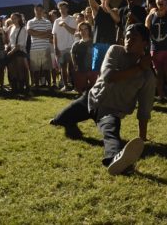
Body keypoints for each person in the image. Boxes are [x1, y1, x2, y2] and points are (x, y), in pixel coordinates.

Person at [50, 24, 155, 175]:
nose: (128, 40)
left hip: (110, 112)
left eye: (134, 38)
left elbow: (145, 107)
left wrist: (142, 138)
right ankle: (61, 120)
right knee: (60, 119)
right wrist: (138, 67)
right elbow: (109, 77)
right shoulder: (115, 51)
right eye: (127, 36)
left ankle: (115, 159)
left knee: (110, 132)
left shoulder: (148, 76)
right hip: (90, 100)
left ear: (145, 43)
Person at [87, 0, 120, 73]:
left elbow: (117, 20)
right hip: (99, 43)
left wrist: (108, 8)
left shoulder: (114, 10)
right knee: (97, 69)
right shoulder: (96, 9)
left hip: (111, 44)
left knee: (110, 69)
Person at [27, 4, 53, 89]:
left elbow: (49, 35)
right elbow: (30, 33)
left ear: (43, 11)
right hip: (34, 48)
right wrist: (43, 34)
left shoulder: (47, 22)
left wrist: (36, 33)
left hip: (45, 48)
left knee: (46, 69)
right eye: (37, 10)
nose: (38, 12)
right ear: (34, 11)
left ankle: (49, 86)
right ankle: (37, 86)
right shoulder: (30, 22)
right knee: (36, 70)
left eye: (40, 10)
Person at [52, 1, 76, 91]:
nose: (62, 10)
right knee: (62, 67)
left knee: (72, 67)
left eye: (64, 8)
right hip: (60, 47)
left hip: (70, 46)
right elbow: (54, 35)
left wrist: (65, 25)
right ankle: (65, 85)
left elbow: (73, 32)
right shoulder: (56, 21)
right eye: (60, 8)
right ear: (59, 10)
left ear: (67, 9)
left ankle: (75, 86)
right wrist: (55, 48)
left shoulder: (72, 19)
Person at [6, 13, 29, 93]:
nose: (13, 20)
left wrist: (11, 52)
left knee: (20, 70)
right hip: (12, 50)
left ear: (19, 19)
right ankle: (15, 88)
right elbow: (11, 41)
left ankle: (21, 88)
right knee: (12, 71)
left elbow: (20, 44)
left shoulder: (23, 29)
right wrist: (7, 47)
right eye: (12, 18)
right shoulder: (11, 28)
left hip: (20, 52)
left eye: (15, 18)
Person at [71, 22, 96, 94]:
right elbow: (72, 53)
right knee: (81, 91)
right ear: (79, 31)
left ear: (89, 30)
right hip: (80, 70)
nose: (83, 31)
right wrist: (74, 64)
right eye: (81, 30)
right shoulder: (76, 44)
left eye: (85, 29)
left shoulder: (94, 43)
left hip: (92, 71)